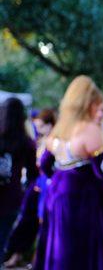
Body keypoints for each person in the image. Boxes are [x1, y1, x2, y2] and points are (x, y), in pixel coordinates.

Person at [34, 75, 103, 270]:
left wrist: (61, 176)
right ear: (89, 103)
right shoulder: (90, 130)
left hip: (57, 195)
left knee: (58, 248)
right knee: (78, 252)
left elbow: (45, 164)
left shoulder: (59, 129)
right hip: (82, 199)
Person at [4, 108, 56, 268]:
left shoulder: (53, 141)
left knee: (40, 223)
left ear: (49, 125)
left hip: (45, 188)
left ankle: (35, 259)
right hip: (34, 188)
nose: (38, 130)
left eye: (41, 126)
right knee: (27, 221)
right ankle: (21, 255)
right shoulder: (38, 141)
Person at [0, 98, 38, 265]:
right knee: (1, 242)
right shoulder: (26, 142)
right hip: (11, 198)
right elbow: (32, 174)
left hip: (10, 198)